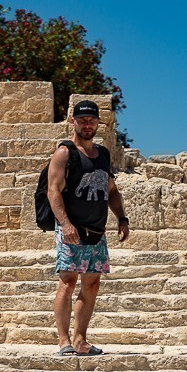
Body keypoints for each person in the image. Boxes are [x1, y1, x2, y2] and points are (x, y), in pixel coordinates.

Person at [47, 99, 129, 356]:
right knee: (68, 282)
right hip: (71, 229)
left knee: (91, 284)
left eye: (91, 121)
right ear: (73, 122)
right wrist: (65, 224)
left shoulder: (103, 155)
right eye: (82, 120)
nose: (87, 125)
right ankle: (63, 341)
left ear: (97, 123)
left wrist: (122, 218)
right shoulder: (64, 153)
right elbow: (53, 190)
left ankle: (80, 340)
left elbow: (111, 190)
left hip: (96, 231)